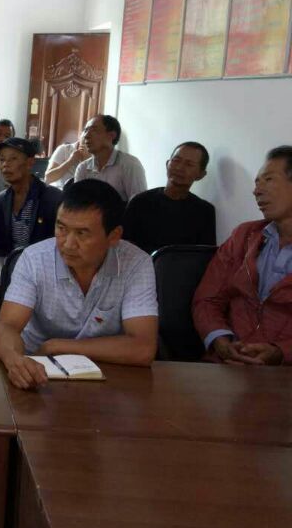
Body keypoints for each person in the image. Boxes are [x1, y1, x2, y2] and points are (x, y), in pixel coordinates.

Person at [0, 179, 158, 390]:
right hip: (38, 372)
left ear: (114, 236)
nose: (68, 244)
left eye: (82, 233)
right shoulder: (34, 259)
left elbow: (143, 348)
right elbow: (6, 326)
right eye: (61, 228)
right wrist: (14, 360)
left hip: (109, 376)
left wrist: (59, 346)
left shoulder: (136, 264)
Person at [193, 146, 292, 366]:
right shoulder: (244, 236)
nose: (257, 190)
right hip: (226, 364)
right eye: (257, 182)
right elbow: (207, 299)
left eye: (268, 180)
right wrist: (220, 338)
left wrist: (280, 353)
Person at [123, 142, 215, 255]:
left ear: (201, 174)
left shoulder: (204, 211)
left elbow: (205, 255)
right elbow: (123, 246)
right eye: (176, 160)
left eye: (189, 164)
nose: (179, 168)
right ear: (167, 164)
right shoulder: (140, 202)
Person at [0, 137, 63, 254]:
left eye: (13, 159)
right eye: (1, 159)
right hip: (10, 262)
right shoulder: (0, 200)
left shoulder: (53, 198)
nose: (5, 164)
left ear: (30, 162)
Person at [73, 115, 147, 202]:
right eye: (85, 130)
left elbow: (139, 205)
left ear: (111, 135)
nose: (86, 135)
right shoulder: (82, 168)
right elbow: (77, 204)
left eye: (94, 130)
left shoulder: (130, 165)